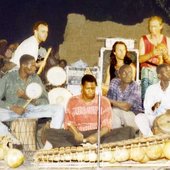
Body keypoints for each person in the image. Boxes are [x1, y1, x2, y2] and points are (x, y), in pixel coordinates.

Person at [43, 74, 135, 149]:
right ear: (82, 87)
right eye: (88, 89)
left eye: (93, 88)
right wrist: (76, 133)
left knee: (129, 130)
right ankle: (89, 146)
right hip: (79, 135)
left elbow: (106, 126)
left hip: (98, 134)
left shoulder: (103, 101)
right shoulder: (73, 101)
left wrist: (96, 136)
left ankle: (80, 147)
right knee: (49, 132)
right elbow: (69, 123)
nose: (91, 91)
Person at [0, 54, 64, 136]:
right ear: (23, 65)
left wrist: (26, 97)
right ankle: (11, 140)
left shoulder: (35, 78)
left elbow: (45, 101)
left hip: (31, 111)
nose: (35, 67)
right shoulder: (8, 77)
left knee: (59, 109)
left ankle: (50, 144)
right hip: (11, 112)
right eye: (33, 65)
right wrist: (12, 107)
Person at [139, 16, 170, 100]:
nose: (153, 29)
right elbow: (139, 59)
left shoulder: (167, 40)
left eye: (155, 26)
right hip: (148, 70)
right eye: (151, 26)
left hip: (163, 71)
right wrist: (152, 53)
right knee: (148, 72)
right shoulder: (144, 39)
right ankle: (147, 102)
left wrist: (166, 56)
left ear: (161, 26)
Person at [135, 63, 170, 137]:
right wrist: (154, 107)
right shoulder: (151, 89)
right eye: (166, 71)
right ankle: (151, 137)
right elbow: (148, 110)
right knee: (139, 117)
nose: (169, 73)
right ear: (159, 76)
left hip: (168, 117)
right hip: (155, 118)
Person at [107, 64, 143, 131]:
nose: (127, 76)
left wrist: (111, 101)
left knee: (114, 111)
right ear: (119, 75)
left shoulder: (135, 86)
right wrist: (110, 101)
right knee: (112, 112)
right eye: (124, 73)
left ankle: (118, 134)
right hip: (117, 113)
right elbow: (108, 102)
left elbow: (126, 106)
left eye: (130, 73)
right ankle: (117, 135)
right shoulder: (114, 82)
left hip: (134, 115)